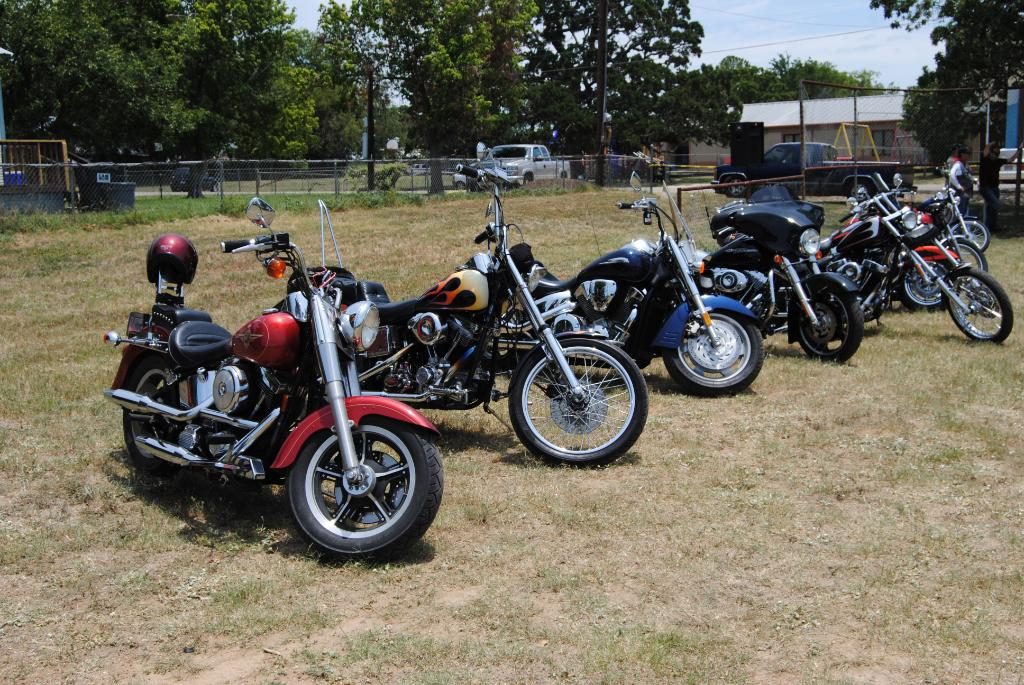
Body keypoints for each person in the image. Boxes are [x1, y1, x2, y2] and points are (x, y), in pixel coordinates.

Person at [979, 141, 1021, 233]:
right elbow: (986, 149)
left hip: (995, 188)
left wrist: (1020, 148)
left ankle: (991, 228)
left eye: (997, 154)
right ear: (990, 153)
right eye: (994, 153)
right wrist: (992, 143)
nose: (996, 155)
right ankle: (987, 227)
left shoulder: (998, 161)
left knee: (992, 209)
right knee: (996, 204)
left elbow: (1012, 159)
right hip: (986, 188)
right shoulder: (985, 159)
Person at [947, 144, 974, 217]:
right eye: (967, 153)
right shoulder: (958, 164)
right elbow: (952, 175)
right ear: (962, 154)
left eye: (970, 153)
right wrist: (958, 186)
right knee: (959, 214)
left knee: (964, 212)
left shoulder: (964, 164)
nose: (969, 155)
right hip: (959, 194)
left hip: (965, 194)